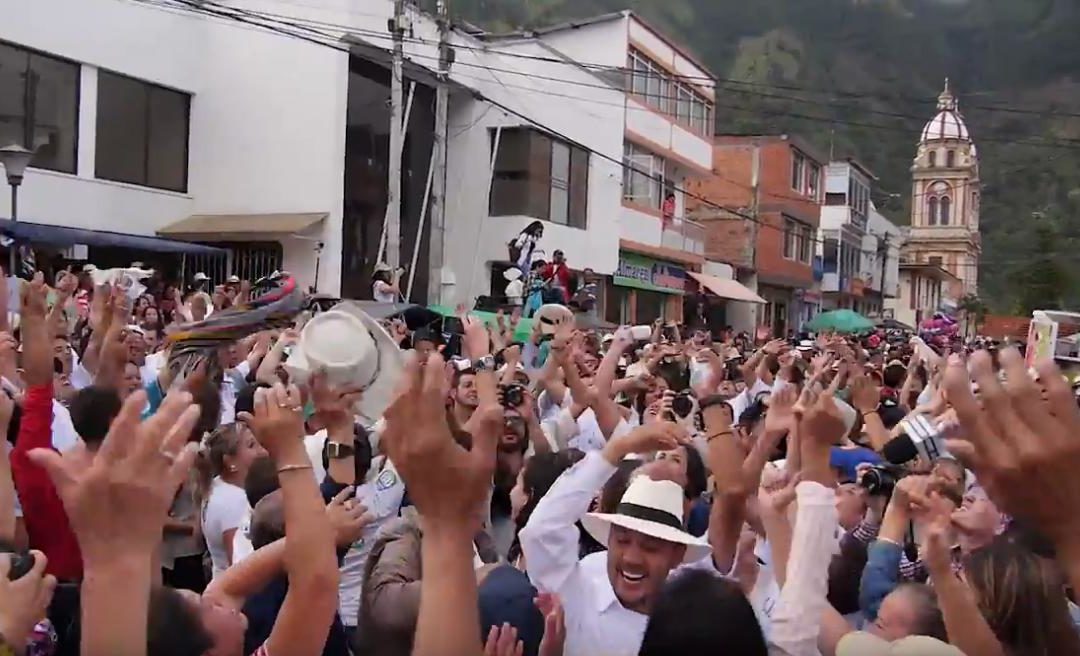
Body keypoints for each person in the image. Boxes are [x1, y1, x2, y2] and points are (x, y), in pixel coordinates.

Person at [195, 423, 268, 580]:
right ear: (230, 462)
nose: (262, 450)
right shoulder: (234, 502)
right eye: (251, 445)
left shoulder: (217, 485)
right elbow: (239, 564)